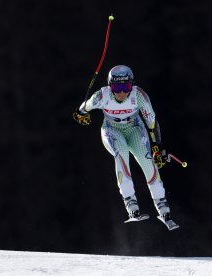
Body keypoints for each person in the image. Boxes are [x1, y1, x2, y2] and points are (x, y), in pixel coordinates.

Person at [74, 65, 179, 230]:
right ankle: (131, 204)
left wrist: (158, 147)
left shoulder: (139, 96)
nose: (122, 92)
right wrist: (81, 115)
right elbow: (83, 108)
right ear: (110, 86)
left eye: (126, 87)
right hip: (111, 130)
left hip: (135, 128)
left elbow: (152, 123)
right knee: (121, 155)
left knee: (148, 161)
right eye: (117, 87)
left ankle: (162, 206)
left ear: (132, 85)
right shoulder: (102, 95)